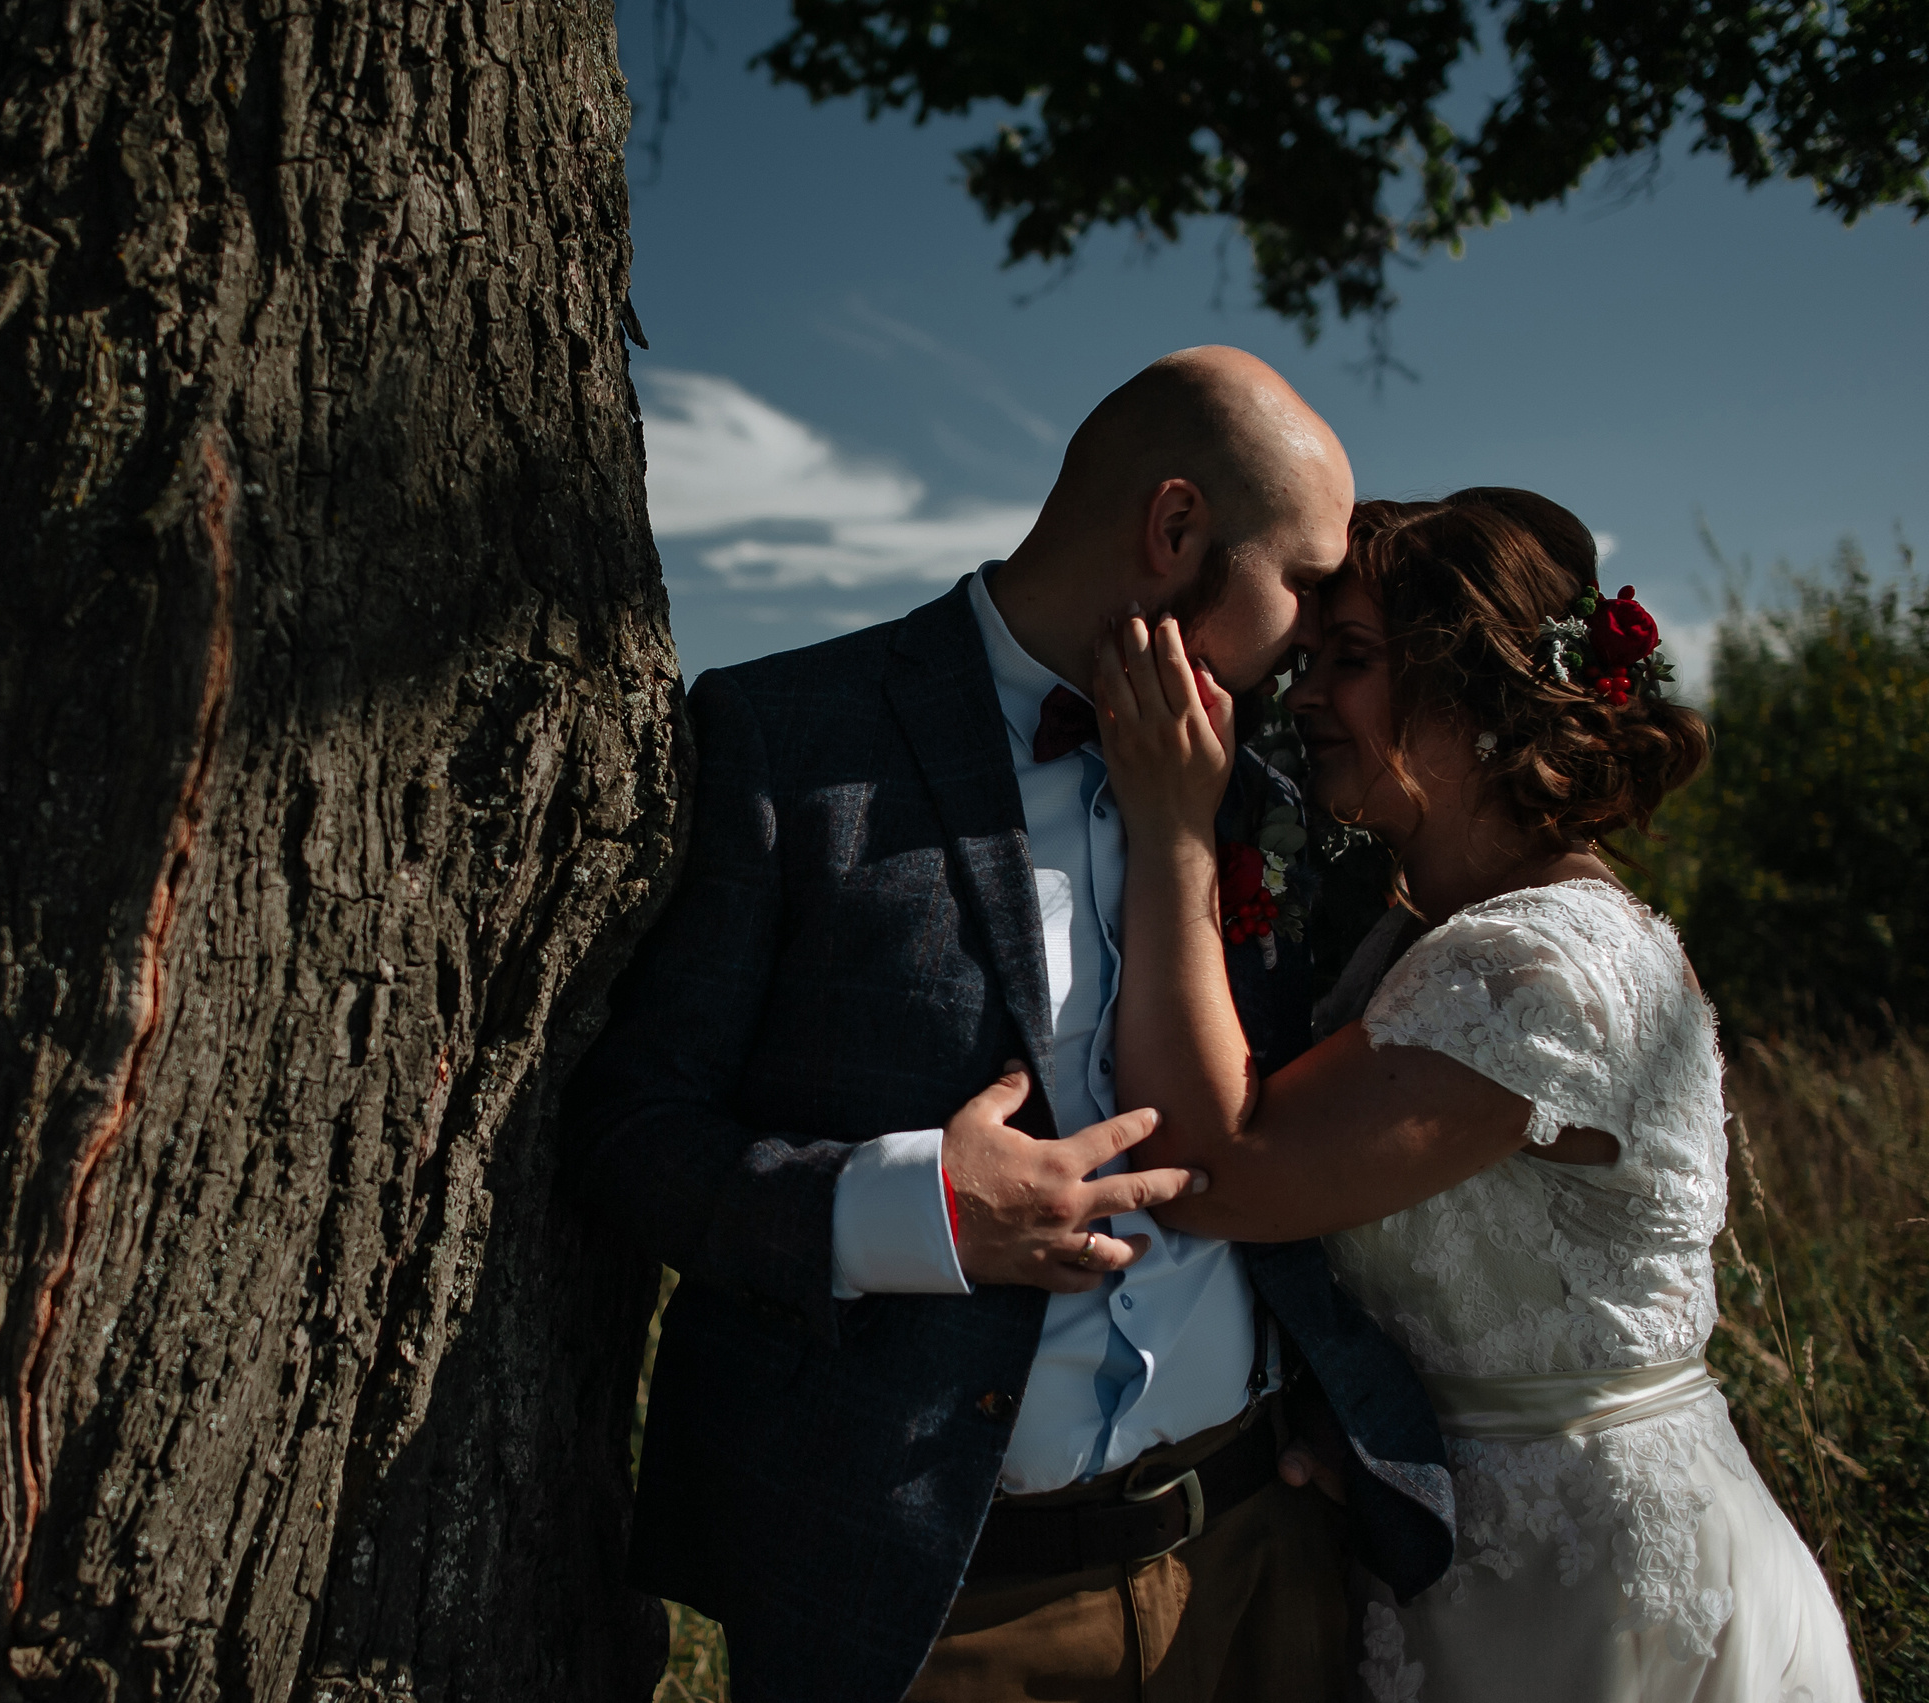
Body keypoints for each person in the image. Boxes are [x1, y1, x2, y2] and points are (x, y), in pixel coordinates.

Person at [569, 348, 1455, 1703]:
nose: (1315, 626)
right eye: (1304, 577)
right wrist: (907, 1210)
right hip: (932, 1608)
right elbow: (633, 1130)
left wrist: (1330, 1411)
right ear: (1174, 531)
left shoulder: (1271, 794)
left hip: (1259, 1562)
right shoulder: (789, 740)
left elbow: (1320, 1132)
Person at [1092, 488, 1861, 1701]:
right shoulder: (1435, 933)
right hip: (1470, 1560)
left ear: (1478, 692)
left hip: (1600, 1594)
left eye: (1346, 662)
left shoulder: (1535, 964)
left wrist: (1171, 829)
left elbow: (1224, 1167)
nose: (1300, 701)